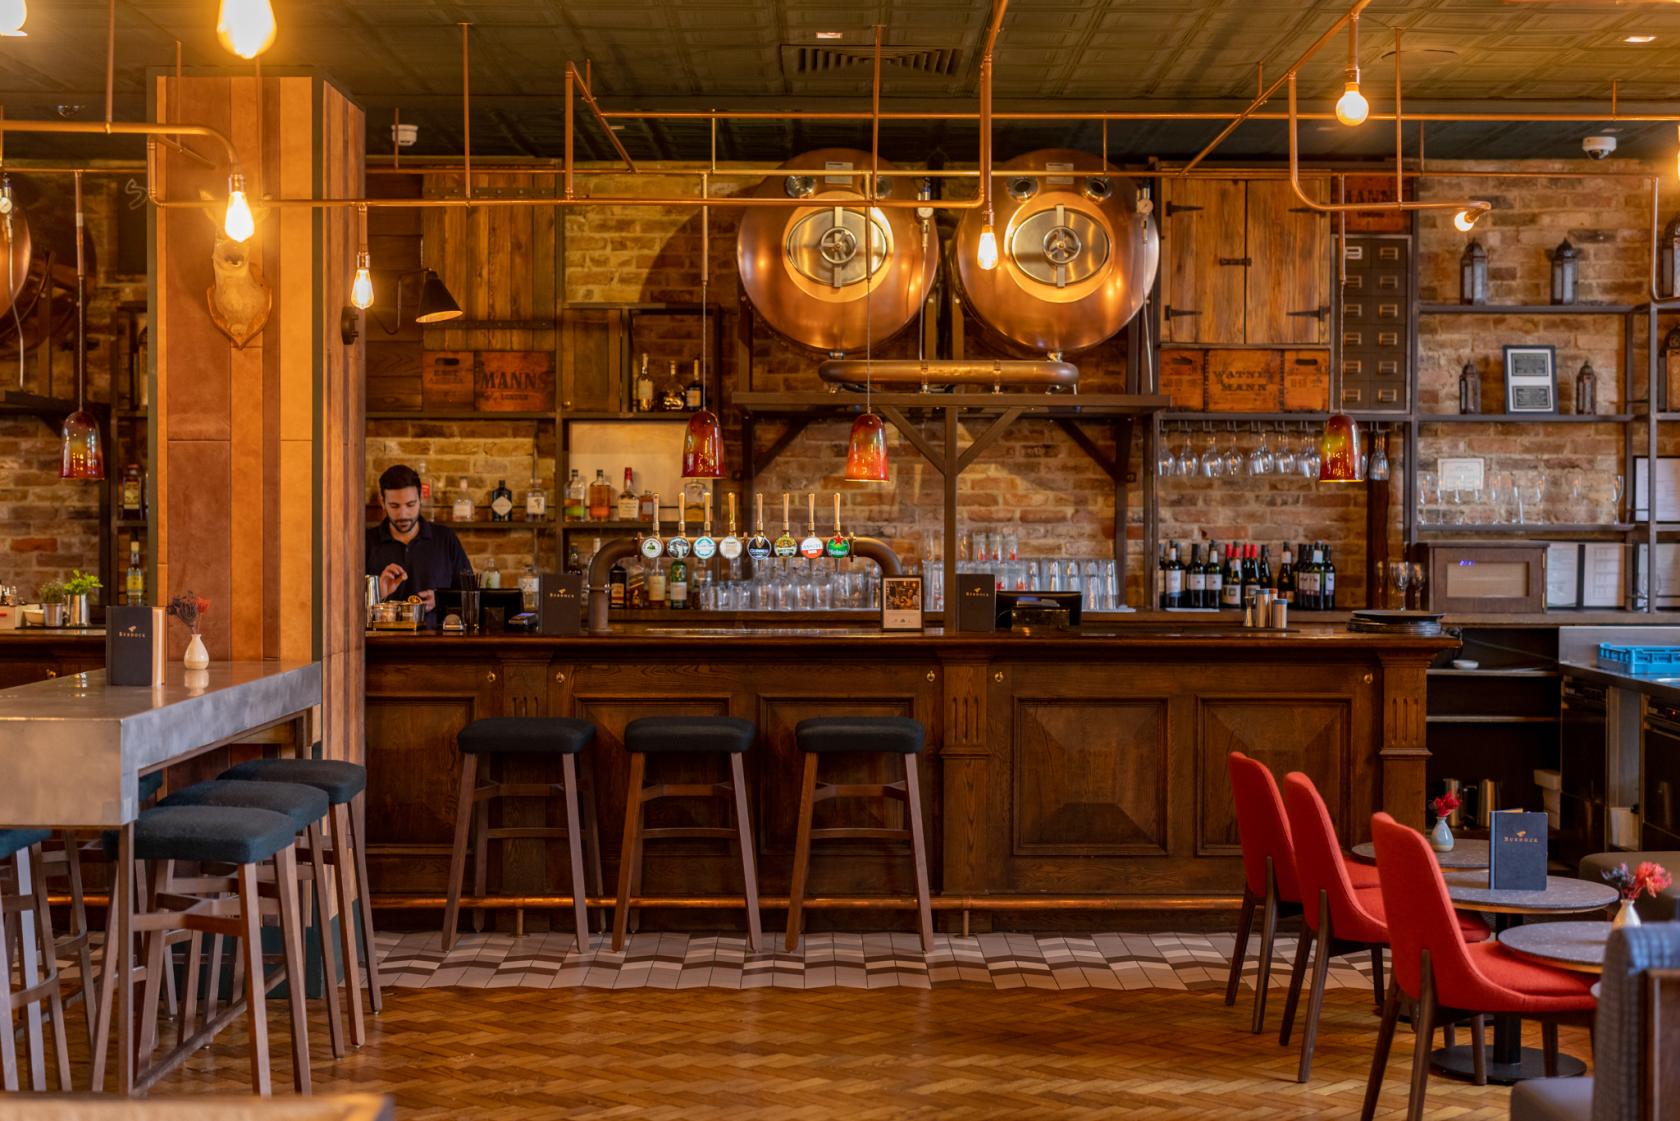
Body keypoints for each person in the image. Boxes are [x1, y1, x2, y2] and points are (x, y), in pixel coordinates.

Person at [366, 464, 472, 626]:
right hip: (381, 646)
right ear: (382, 502)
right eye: (394, 506)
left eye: (410, 505)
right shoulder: (366, 541)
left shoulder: (445, 538)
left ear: (421, 498)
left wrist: (440, 599)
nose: (403, 514)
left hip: (436, 646)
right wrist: (377, 593)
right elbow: (342, 604)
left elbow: (471, 595)